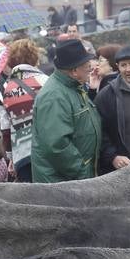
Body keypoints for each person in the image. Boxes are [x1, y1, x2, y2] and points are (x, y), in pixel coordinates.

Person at [31, 39, 102, 183]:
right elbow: (57, 146)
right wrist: (83, 172)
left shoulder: (73, 87)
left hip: (72, 181)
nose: (90, 67)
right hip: (63, 186)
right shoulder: (54, 96)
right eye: (86, 64)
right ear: (74, 71)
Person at [0, 40, 47, 183]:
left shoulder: (6, 87)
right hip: (46, 150)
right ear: (34, 57)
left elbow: (5, 129)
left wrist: (10, 157)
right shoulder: (45, 81)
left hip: (21, 154)